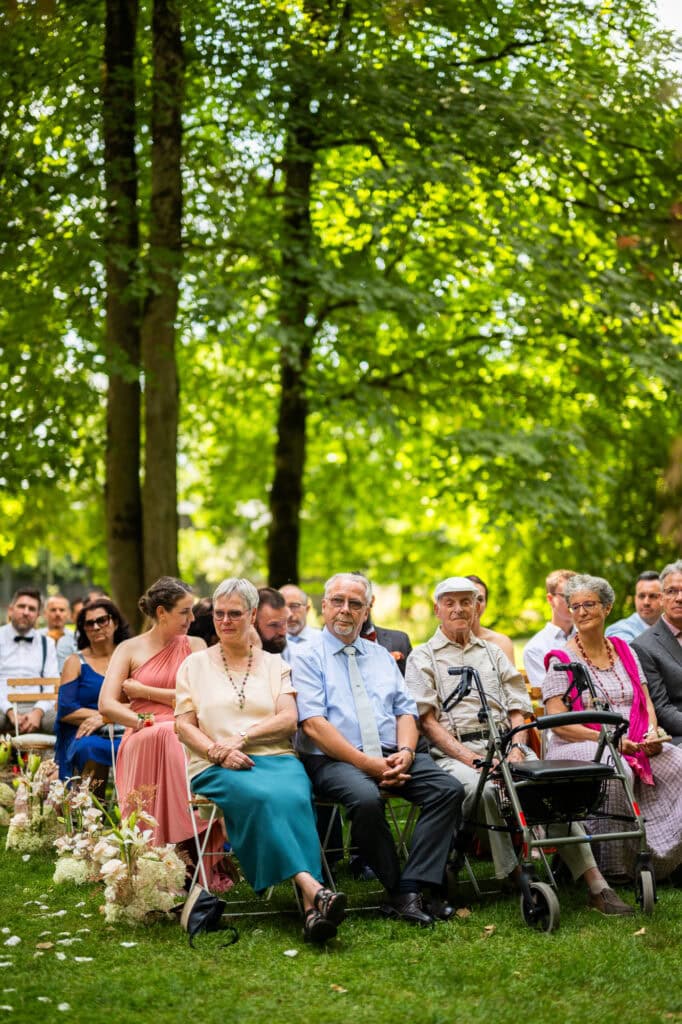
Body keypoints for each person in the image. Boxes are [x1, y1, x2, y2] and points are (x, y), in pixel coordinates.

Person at [405, 576, 632, 914]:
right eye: (449, 602)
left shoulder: (493, 653)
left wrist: (515, 747)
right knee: (485, 789)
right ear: (437, 609)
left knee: (550, 789)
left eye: (466, 601)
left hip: (508, 744)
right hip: (456, 755)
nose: (458, 608)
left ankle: (596, 885)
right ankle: (516, 874)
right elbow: (428, 723)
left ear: (476, 607)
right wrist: (473, 760)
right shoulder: (422, 657)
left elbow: (518, 708)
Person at [175, 578, 346, 943]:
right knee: (264, 798)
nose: (225, 620)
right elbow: (184, 727)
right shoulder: (194, 666)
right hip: (214, 765)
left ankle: (314, 912)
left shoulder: (274, 664)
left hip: (276, 758)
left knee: (295, 796)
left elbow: (287, 718)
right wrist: (219, 751)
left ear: (252, 615)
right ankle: (313, 891)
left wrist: (245, 736)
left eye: (235, 613)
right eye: (219, 613)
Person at [293, 572, 464, 926]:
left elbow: (405, 710)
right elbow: (313, 725)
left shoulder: (382, 656)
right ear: (324, 606)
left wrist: (405, 751)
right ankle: (401, 890)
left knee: (447, 790)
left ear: (367, 609)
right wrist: (366, 764)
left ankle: (412, 884)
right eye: (338, 601)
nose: (346, 610)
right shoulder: (306, 656)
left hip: (391, 751)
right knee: (367, 799)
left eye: (355, 603)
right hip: (334, 759)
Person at [543, 573, 682, 882]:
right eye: (575, 606)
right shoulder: (562, 659)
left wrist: (652, 733)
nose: (581, 612)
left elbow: (646, 702)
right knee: (619, 769)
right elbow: (558, 723)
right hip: (581, 742)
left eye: (589, 604)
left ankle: (669, 859)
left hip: (633, 739)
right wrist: (609, 741)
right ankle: (615, 867)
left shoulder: (624, 650)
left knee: (678, 762)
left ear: (606, 608)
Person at [99, 577, 227, 886]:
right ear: (161, 612)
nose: (192, 619)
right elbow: (106, 704)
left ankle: (192, 856)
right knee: (169, 733)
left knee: (176, 733)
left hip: (188, 729)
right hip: (143, 730)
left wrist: (145, 690)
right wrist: (143, 719)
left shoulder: (196, 646)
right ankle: (162, 855)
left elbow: (203, 698)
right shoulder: (129, 649)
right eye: (185, 612)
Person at [55, 598, 131, 789]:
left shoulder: (132, 657)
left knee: (150, 744)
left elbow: (144, 704)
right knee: (88, 747)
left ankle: (139, 809)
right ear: (83, 630)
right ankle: (91, 811)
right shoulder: (75, 662)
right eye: (89, 623)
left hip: (127, 730)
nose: (96, 627)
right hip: (84, 731)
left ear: (115, 622)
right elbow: (66, 710)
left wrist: (107, 716)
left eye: (102, 620)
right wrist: (105, 716)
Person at [632, 560, 682, 746]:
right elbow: (662, 710)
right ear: (661, 598)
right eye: (672, 591)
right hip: (676, 737)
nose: (679, 598)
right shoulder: (643, 646)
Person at [0, 587, 59, 735]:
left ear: (38, 615)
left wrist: (38, 712)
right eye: (21, 606)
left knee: (62, 721)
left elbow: (52, 684)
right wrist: (9, 711)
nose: (26, 612)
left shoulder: (48, 643)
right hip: (2, 704)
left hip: (37, 705)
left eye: (31, 609)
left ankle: (56, 758)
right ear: (11, 609)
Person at [523, 569, 577, 689]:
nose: (573, 602)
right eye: (566, 596)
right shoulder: (535, 648)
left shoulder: (587, 638)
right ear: (550, 599)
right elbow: (548, 694)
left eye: (576, 596)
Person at [353, 573, 412, 678]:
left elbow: (412, 686)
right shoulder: (323, 645)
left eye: (356, 602)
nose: (348, 608)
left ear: (372, 600)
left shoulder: (399, 641)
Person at [466, 575, 515, 664]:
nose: (475, 605)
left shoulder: (501, 643)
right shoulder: (441, 645)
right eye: (468, 599)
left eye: (480, 599)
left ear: (486, 604)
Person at [606, 571, 662, 643]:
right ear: (635, 599)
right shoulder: (618, 630)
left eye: (653, 596)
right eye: (641, 596)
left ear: (663, 599)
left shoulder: (674, 627)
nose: (646, 602)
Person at [255, 588, 290, 656]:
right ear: (253, 623)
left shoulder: (300, 657)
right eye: (274, 625)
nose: (283, 632)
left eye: (284, 623)